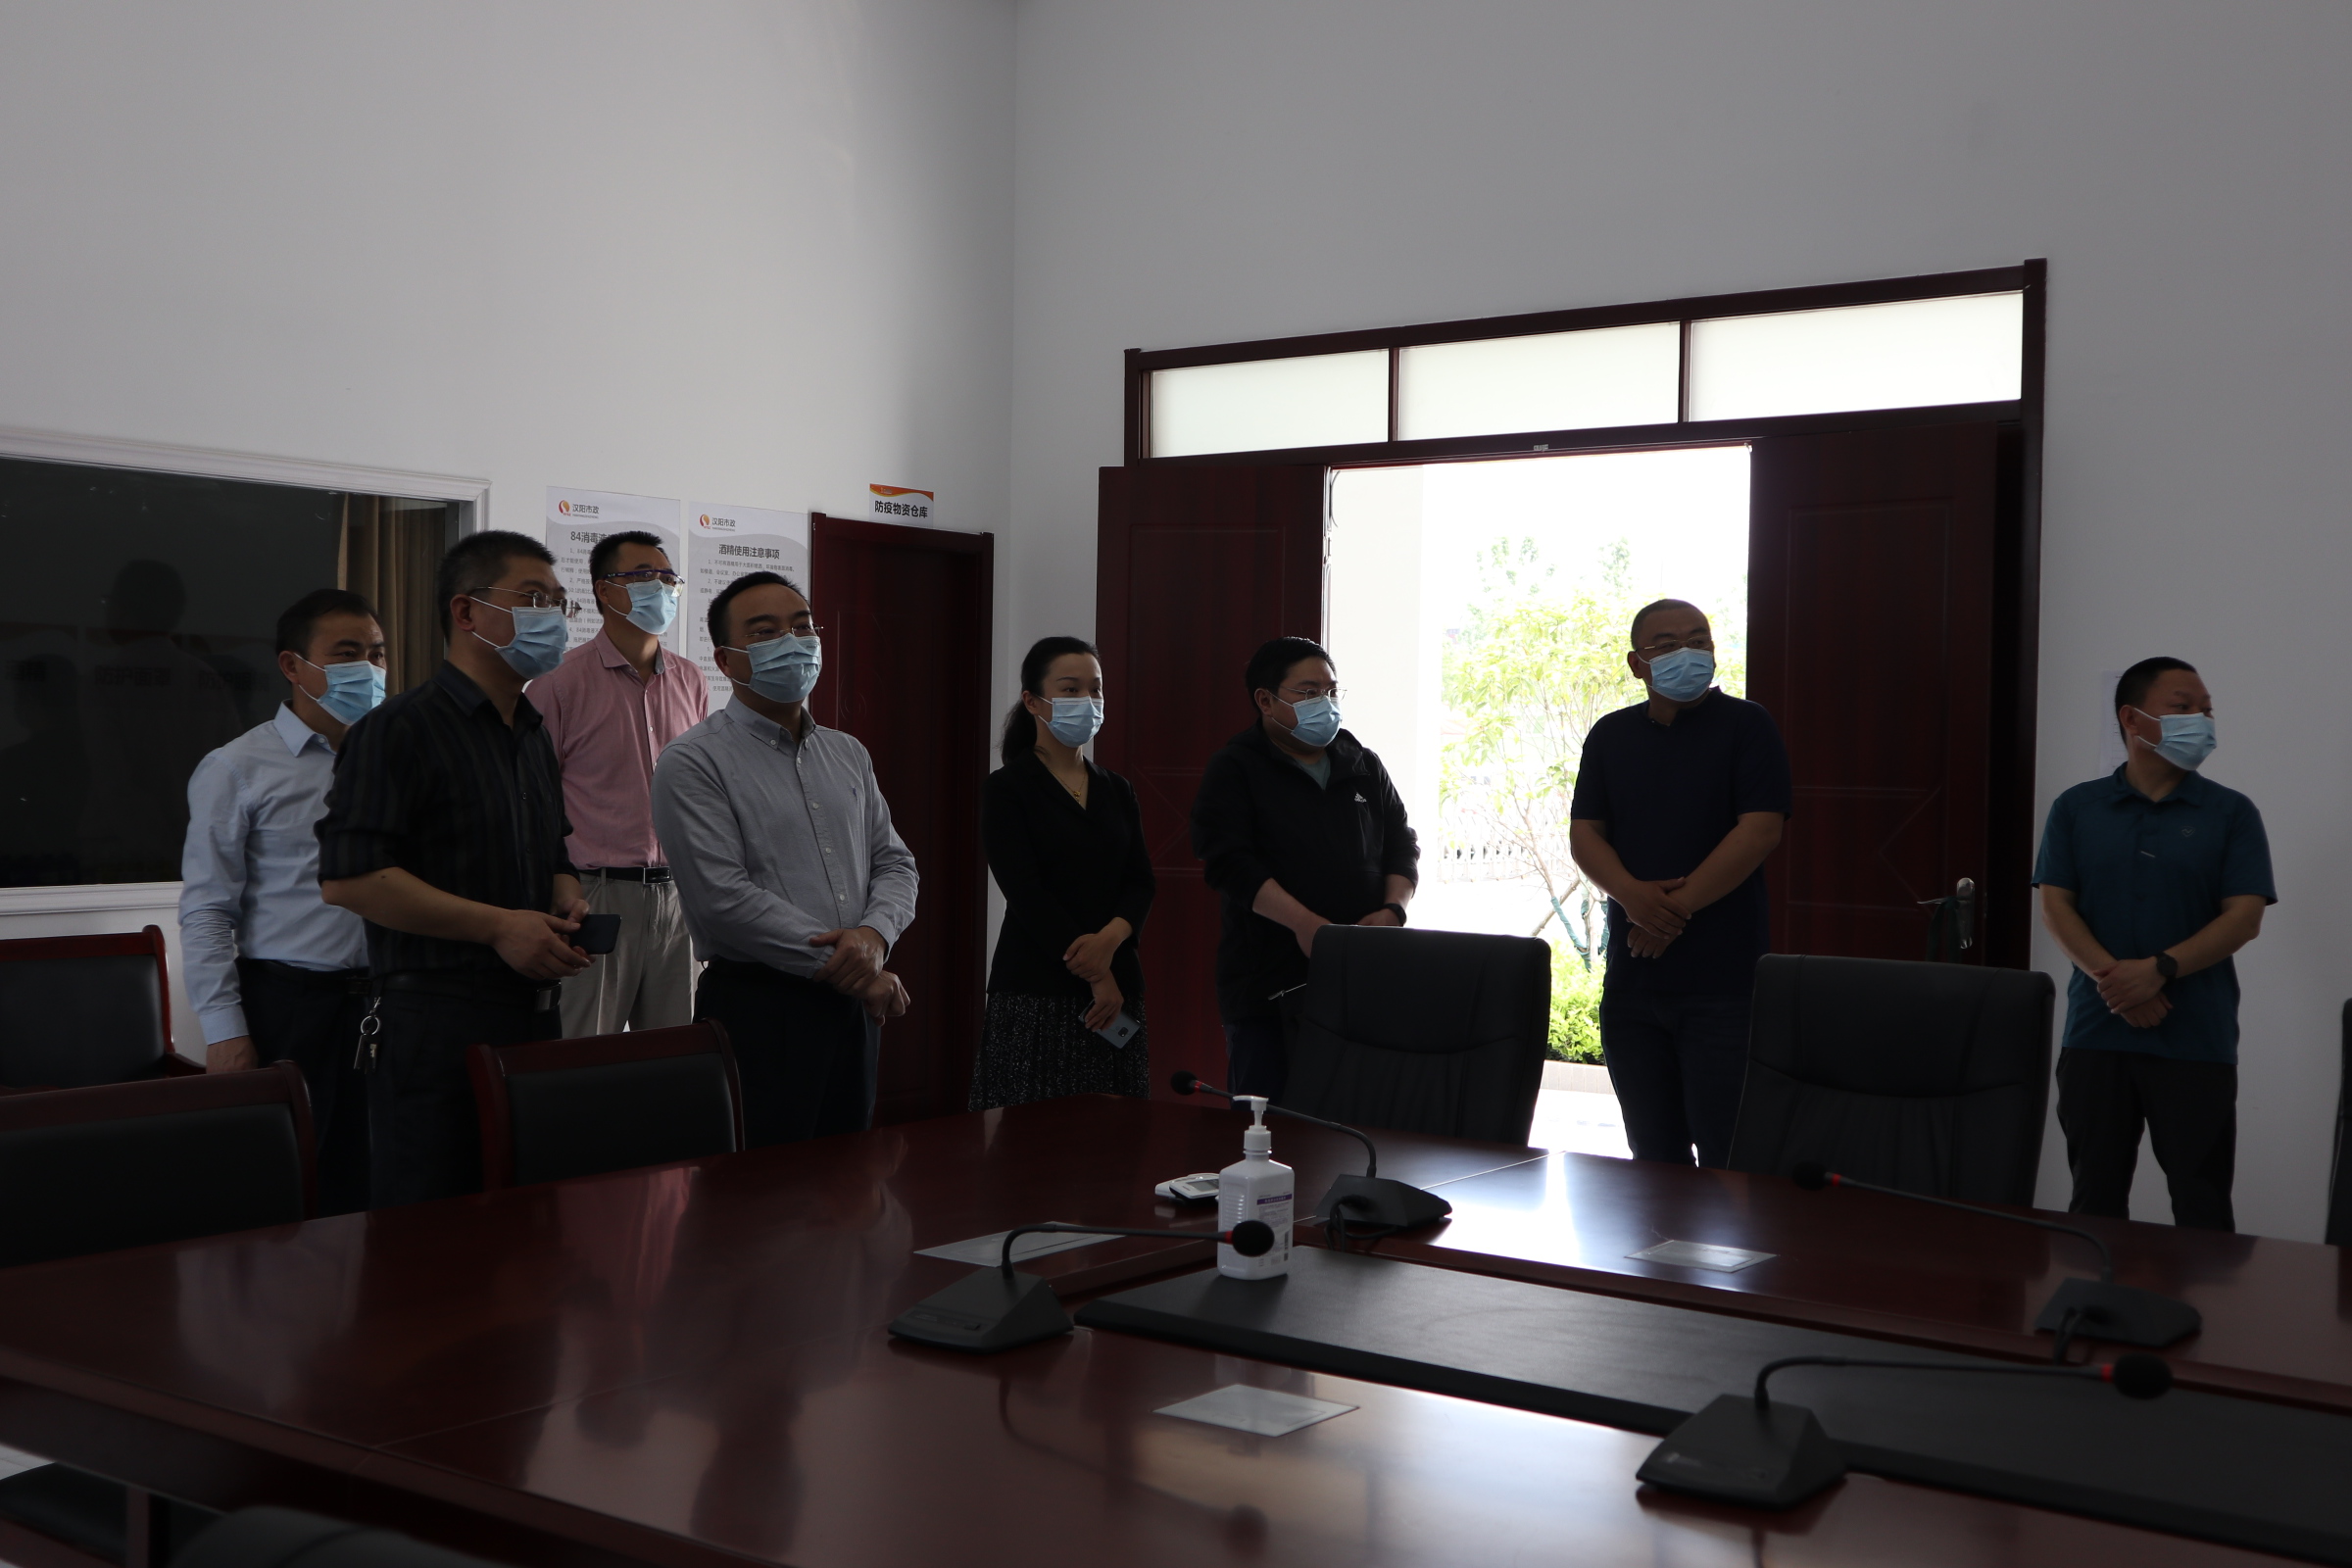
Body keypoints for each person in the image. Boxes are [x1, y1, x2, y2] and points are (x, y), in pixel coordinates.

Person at [316, 530, 595, 1206]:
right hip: (434, 1023)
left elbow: (554, 851)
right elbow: (350, 877)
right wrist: (499, 927)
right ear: (466, 612)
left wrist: (564, 897)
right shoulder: (398, 729)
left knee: (531, 1221)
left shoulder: (532, 733)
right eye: (533, 598)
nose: (554, 618)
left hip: (534, 1016)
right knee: (434, 1229)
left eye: (560, 603)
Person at [650, 570, 916, 1146]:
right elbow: (722, 899)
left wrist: (873, 937)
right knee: (758, 1186)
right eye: (765, 632)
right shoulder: (693, 761)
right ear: (726, 660)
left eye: (802, 627)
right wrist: (853, 968)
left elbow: (895, 864)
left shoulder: (847, 753)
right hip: (759, 1008)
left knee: (848, 1178)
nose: (792, 642)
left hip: (854, 1007)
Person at [2034, 658, 2274, 1232]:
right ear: (2132, 719)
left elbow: (2243, 919)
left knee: (2202, 1205)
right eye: (2183, 707)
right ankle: (2094, 1295)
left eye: (2208, 710)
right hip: (2096, 1033)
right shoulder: (2076, 808)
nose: (2202, 722)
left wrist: (2160, 970)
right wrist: (2117, 983)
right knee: (2094, 1201)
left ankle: (2204, 1298)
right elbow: (2056, 907)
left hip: (2196, 1037)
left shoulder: (2232, 813)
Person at [178, 589, 387, 1214]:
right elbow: (208, 909)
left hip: (390, 1001)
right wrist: (225, 1031)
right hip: (291, 1007)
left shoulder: (397, 755)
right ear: (293, 666)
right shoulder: (237, 768)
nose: (369, 669)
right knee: (291, 1192)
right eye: (347, 654)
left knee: (383, 1183)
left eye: (378, 654)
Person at [1568, 598, 1790, 1169]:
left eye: (1698, 641)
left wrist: (1672, 911)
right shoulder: (1611, 735)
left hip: (1725, 983)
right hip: (1633, 983)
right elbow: (1585, 833)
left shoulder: (1747, 725)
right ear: (1637, 663)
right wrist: (1631, 895)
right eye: (1666, 646)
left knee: (1729, 1156)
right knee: (1652, 1155)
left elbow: (1760, 830)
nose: (1685, 654)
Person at [1191, 635, 1417, 1101]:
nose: (1325, 704)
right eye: (1309, 692)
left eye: (1331, 691)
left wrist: (1393, 911)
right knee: (1269, 1122)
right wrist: (1304, 924)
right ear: (1265, 700)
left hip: (1357, 979)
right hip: (1267, 986)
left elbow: (1402, 845)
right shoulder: (1236, 767)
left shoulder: (1362, 764)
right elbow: (1229, 864)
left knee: (1354, 1117)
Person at [528, 529, 708, 1038]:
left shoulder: (691, 680)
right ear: (605, 591)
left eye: (669, 578)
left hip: (679, 898)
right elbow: (535, 801)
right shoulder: (558, 683)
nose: (663, 588)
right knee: (585, 1052)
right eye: (645, 576)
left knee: (679, 1055)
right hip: (595, 897)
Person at [968, 636, 1154, 1108]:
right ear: (1032, 701)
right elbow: (1026, 892)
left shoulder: (1117, 789)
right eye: (1070, 689)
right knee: (1033, 1136)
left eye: (1095, 689)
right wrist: (1095, 972)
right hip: (1037, 985)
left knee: (1116, 1132)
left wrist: (1108, 943)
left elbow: (1140, 882)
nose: (1087, 700)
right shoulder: (1008, 788)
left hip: (1119, 986)